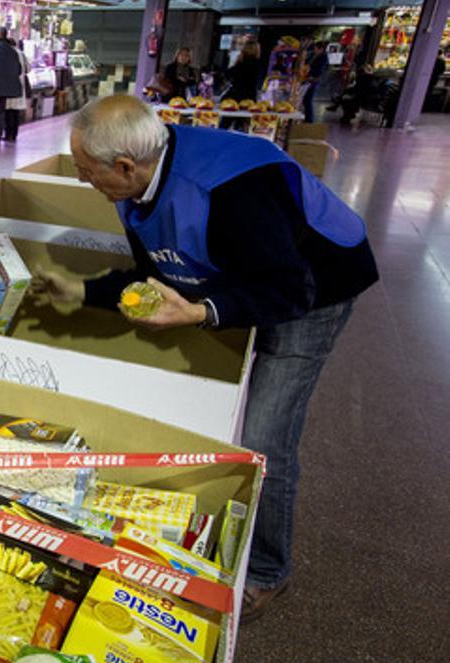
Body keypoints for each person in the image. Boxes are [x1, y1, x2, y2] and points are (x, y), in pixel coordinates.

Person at [29, 95, 378, 623]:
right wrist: (81, 290)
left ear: (124, 165)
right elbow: (156, 275)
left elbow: (291, 289)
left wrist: (202, 311)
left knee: (265, 434)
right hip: (246, 267)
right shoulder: (135, 183)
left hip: (316, 284)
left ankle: (267, 571)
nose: (82, 181)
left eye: (85, 171)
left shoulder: (231, 192)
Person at [4, 39, 31, 142]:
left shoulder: (7, 54)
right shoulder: (22, 54)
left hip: (9, 85)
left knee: (8, 111)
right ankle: (14, 135)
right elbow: (28, 69)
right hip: (20, 86)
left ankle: (8, 135)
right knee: (15, 112)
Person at [302, 41, 328, 123]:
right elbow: (306, 63)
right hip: (308, 78)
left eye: (316, 48)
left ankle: (309, 119)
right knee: (305, 99)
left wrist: (311, 74)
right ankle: (307, 117)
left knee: (308, 99)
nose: (314, 50)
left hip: (314, 80)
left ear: (321, 49)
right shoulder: (314, 55)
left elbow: (320, 70)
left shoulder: (323, 58)